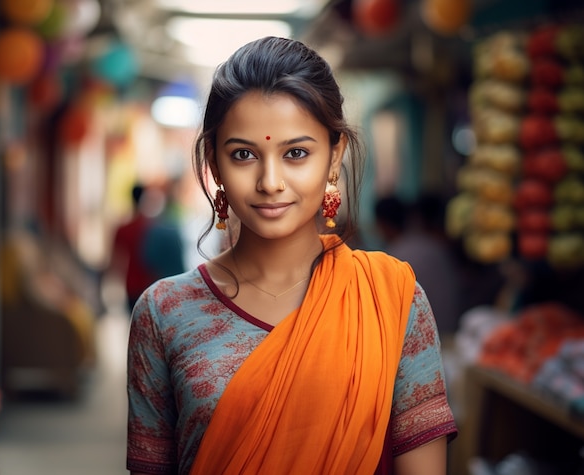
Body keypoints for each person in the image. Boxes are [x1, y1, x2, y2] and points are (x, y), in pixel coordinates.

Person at [126, 36, 457, 475]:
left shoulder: (391, 300)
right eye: (244, 154)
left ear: (334, 156)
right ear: (214, 161)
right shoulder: (164, 312)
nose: (270, 181)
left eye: (296, 153)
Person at [374, 193, 462, 335]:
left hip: (424, 339)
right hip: (450, 332)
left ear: (381, 224)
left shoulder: (395, 257)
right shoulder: (435, 247)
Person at [109, 183, 159, 312]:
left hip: (131, 283)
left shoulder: (123, 229)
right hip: (150, 283)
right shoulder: (152, 227)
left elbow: (115, 260)